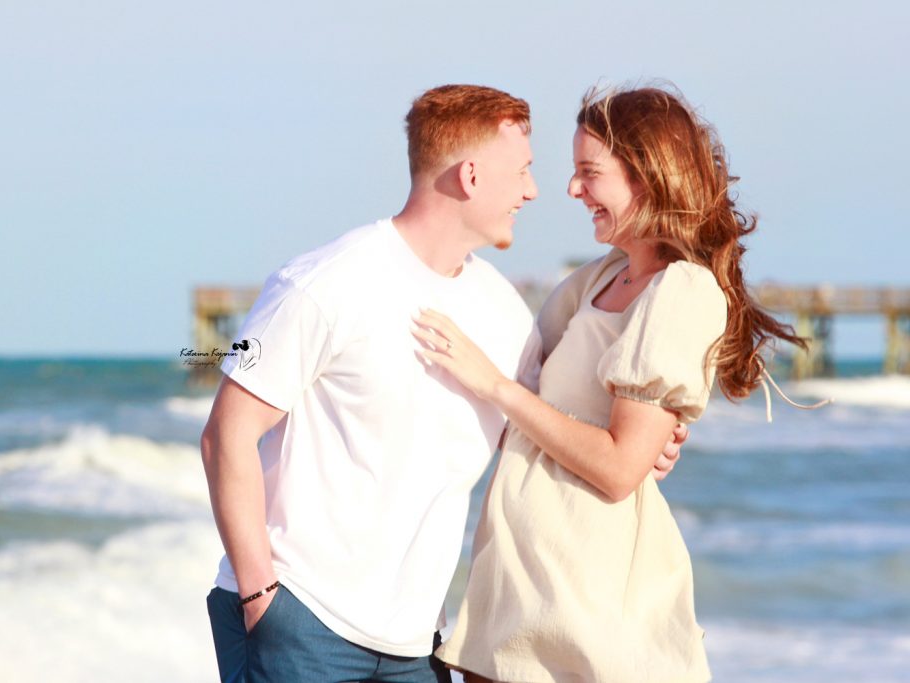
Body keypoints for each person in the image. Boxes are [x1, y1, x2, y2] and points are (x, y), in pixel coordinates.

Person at [201, 84, 685, 683]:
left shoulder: (508, 317)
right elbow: (226, 434)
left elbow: (539, 438)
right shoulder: (321, 283)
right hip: (301, 618)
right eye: (524, 172)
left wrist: (644, 443)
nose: (535, 191)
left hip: (417, 642)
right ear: (473, 177)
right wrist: (260, 598)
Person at [416, 86, 806, 683]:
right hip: (518, 589)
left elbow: (621, 468)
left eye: (588, 173)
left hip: (588, 605)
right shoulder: (595, 278)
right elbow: (524, 390)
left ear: (646, 176)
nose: (571, 190)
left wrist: (497, 389)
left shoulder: (682, 290)